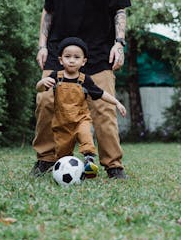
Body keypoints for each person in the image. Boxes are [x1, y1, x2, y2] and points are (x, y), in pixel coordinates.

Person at [31, 0, 131, 179]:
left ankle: (113, 165)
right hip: (60, 50)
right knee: (45, 100)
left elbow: (119, 10)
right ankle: (45, 159)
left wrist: (118, 44)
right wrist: (42, 45)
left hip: (98, 50)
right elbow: (49, 10)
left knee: (104, 106)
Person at [36, 37, 127, 177]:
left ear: (83, 61)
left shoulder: (85, 80)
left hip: (80, 119)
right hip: (62, 123)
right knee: (63, 154)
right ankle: (67, 170)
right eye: (67, 57)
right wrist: (42, 82)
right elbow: (40, 89)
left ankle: (89, 160)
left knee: (86, 135)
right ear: (60, 60)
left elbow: (101, 93)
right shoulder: (56, 77)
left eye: (76, 57)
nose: (72, 60)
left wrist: (117, 102)